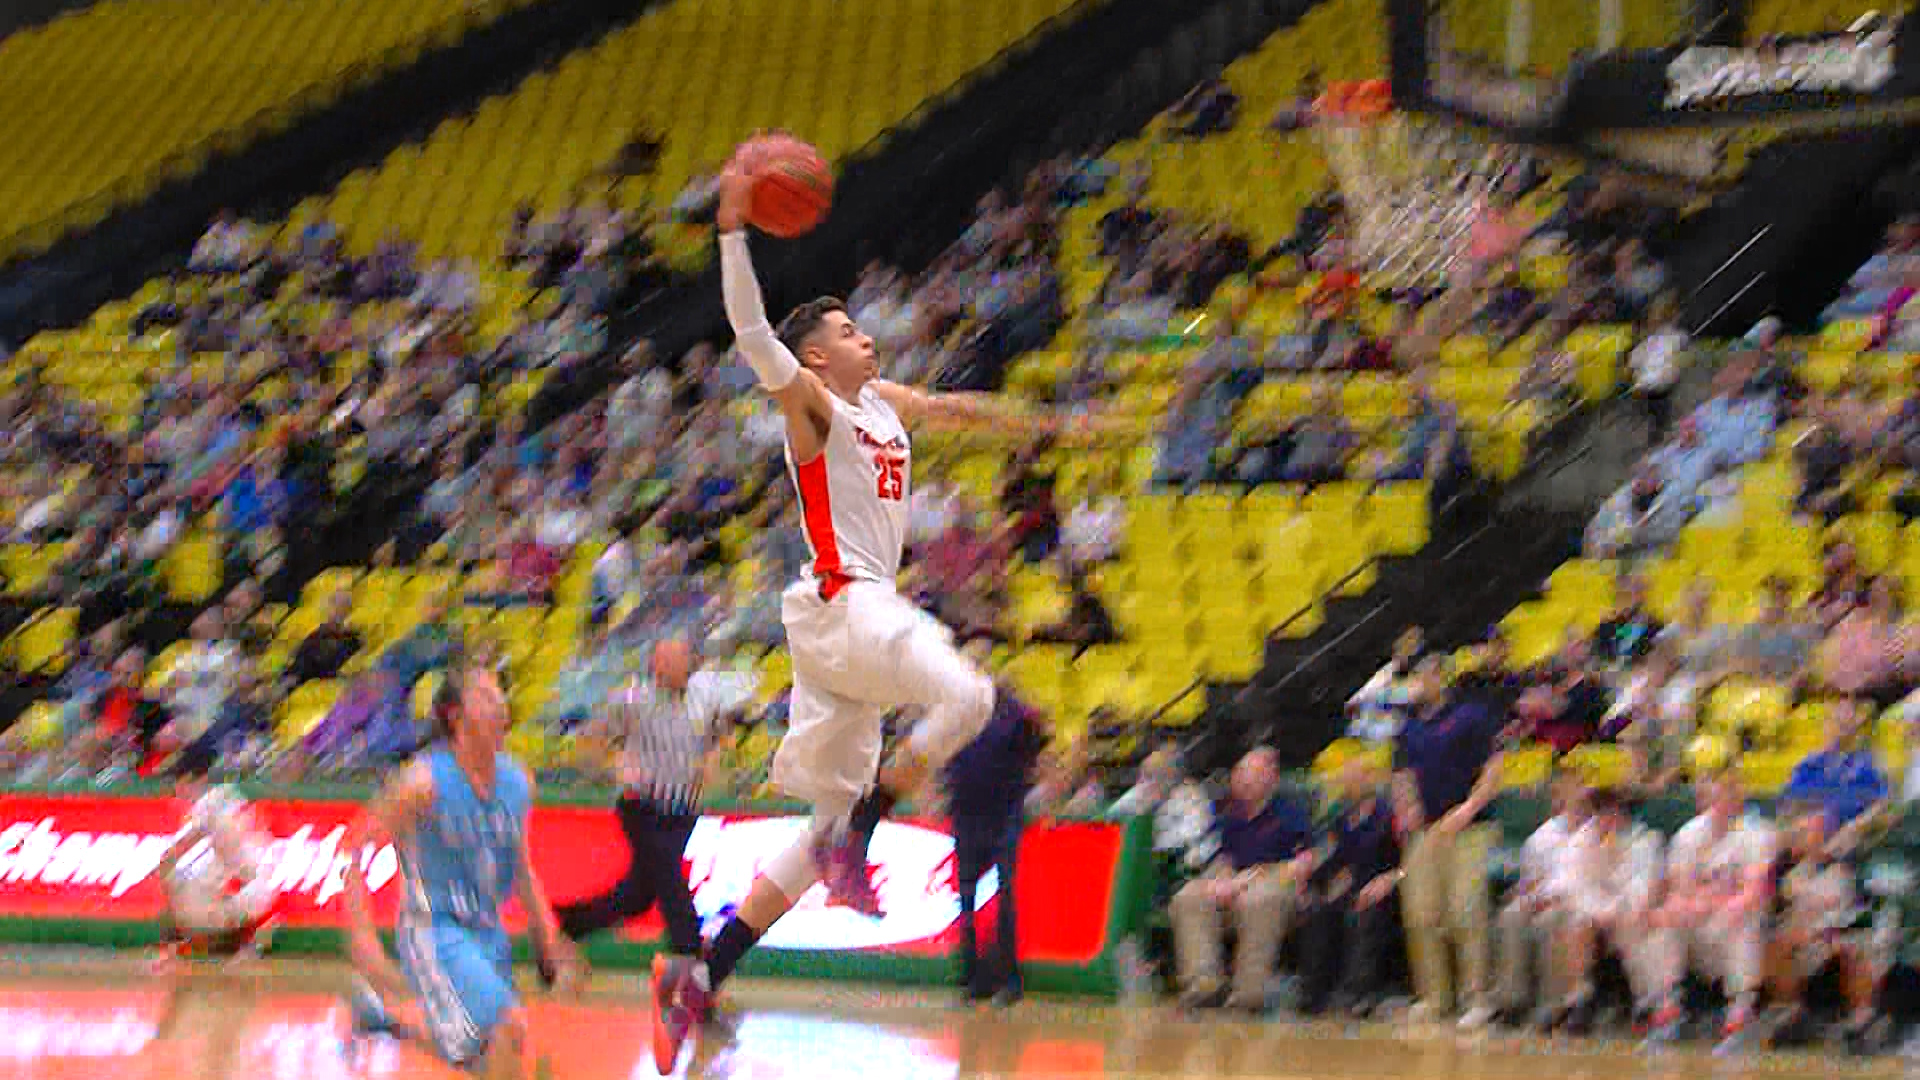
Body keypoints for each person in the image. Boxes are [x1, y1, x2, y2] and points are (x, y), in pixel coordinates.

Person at [651, 135, 1118, 1067]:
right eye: (847, 333)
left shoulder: (884, 402)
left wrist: (1053, 421)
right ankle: (860, 833)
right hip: (844, 603)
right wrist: (734, 226)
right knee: (973, 698)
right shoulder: (813, 406)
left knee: (814, 830)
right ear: (818, 361)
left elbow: (956, 408)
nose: (865, 336)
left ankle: (700, 973)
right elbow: (750, 336)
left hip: (845, 634)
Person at [339, 665, 585, 1080]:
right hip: (433, 929)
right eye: (487, 696)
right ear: (456, 716)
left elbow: (522, 868)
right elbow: (354, 848)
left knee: (485, 1059)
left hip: (488, 932)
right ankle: (386, 1023)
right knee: (509, 1029)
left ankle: (384, 1023)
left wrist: (549, 936)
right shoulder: (422, 783)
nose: (501, 704)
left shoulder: (518, 782)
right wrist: (361, 934)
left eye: (500, 695)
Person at [553, 639, 726, 968]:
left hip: (681, 811)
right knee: (671, 881)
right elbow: (597, 735)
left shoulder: (703, 700)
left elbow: (714, 739)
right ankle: (695, 962)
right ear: (656, 665)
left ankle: (571, 924)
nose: (678, 666)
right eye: (671, 659)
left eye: (682, 658)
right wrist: (605, 767)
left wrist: (709, 766)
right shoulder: (633, 700)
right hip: (642, 806)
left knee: (639, 896)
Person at [1167, 747, 1315, 1013]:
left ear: (1271, 778)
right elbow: (1221, 858)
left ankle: (1249, 992)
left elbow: (1304, 863)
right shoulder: (1229, 816)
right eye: (1240, 773)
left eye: (1252, 774)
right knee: (1188, 896)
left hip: (1276, 890)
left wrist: (1251, 878)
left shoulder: (1291, 813)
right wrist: (1220, 881)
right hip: (1236, 887)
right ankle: (1204, 982)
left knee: (1257, 898)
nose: (1243, 780)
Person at [1644, 770, 1775, 1050]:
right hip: (1700, 919)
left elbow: (1753, 892)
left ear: (1739, 797)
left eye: (1729, 793)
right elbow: (1679, 888)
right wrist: (1689, 906)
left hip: (1738, 920)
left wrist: (1712, 903)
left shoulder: (1758, 833)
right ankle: (1668, 1009)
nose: (1721, 801)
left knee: (1741, 918)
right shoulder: (1689, 834)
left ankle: (1740, 1014)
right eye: (1715, 794)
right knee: (1664, 919)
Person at [943, 662, 1049, 1007]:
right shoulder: (955, 713)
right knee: (968, 898)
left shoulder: (1014, 714)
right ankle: (973, 979)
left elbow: (1039, 745)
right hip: (966, 812)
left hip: (1004, 812)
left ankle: (1009, 979)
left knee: (1004, 898)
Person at [152, 762, 284, 967]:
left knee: (179, 887)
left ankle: (175, 949)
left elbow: (181, 847)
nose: (178, 790)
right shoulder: (230, 798)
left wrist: (165, 865)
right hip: (258, 884)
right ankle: (246, 943)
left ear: (195, 780)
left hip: (249, 887)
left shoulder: (210, 801)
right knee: (198, 892)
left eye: (181, 783)